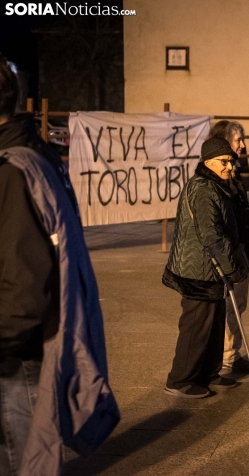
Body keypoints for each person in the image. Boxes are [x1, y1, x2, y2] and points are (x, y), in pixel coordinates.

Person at [0, 57, 118, 474]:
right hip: (26, 347)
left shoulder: (12, 170)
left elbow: (24, 289)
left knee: (23, 461)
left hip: (17, 357)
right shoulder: (32, 153)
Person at [162, 137, 249, 398]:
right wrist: (231, 269)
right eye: (224, 162)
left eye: (231, 162)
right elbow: (210, 234)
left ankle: (208, 373)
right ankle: (179, 380)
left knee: (213, 325)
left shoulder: (216, 185)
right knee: (196, 325)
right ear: (208, 162)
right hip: (198, 270)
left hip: (211, 270)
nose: (229, 167)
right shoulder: (203, 188)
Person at [208, 121, 249, 374]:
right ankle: (225, 359)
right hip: (228, 252)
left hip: (239, 249)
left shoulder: (234, 172)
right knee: (230, 305)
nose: (242, 145)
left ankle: (231, 354)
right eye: (237, 140)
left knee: (238, 305)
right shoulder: (218, 178)